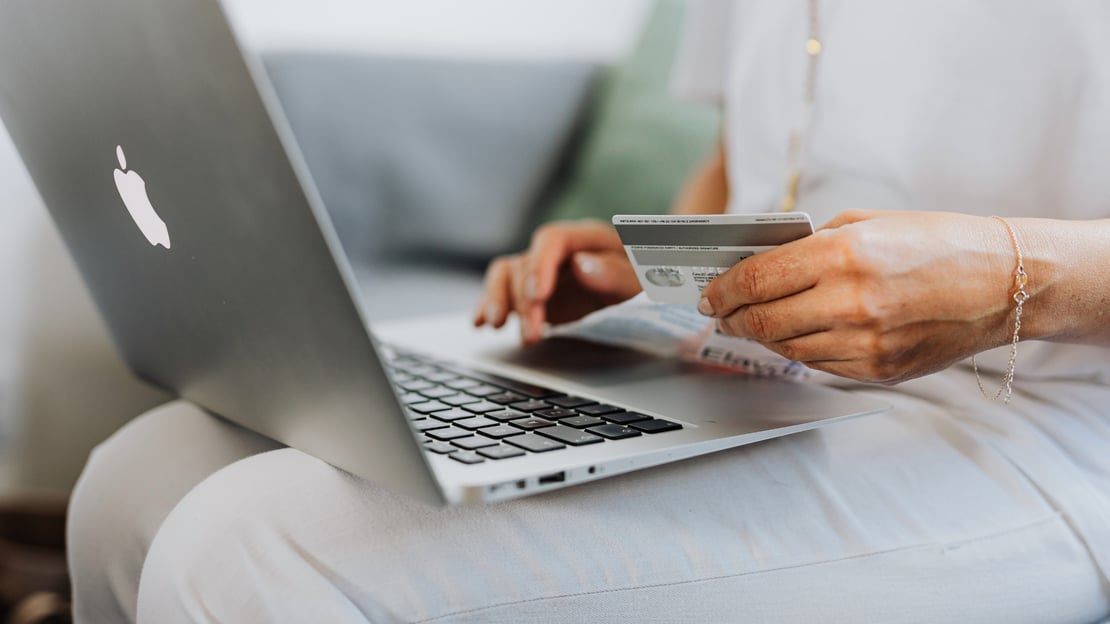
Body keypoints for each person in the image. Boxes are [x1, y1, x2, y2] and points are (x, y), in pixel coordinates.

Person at [68, 2, 1110, 622]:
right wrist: (668, 266)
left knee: (246, 547)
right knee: (141, 475)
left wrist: (1011, 274)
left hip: (1033, 424)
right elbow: (738, 162)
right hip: (770, 376)